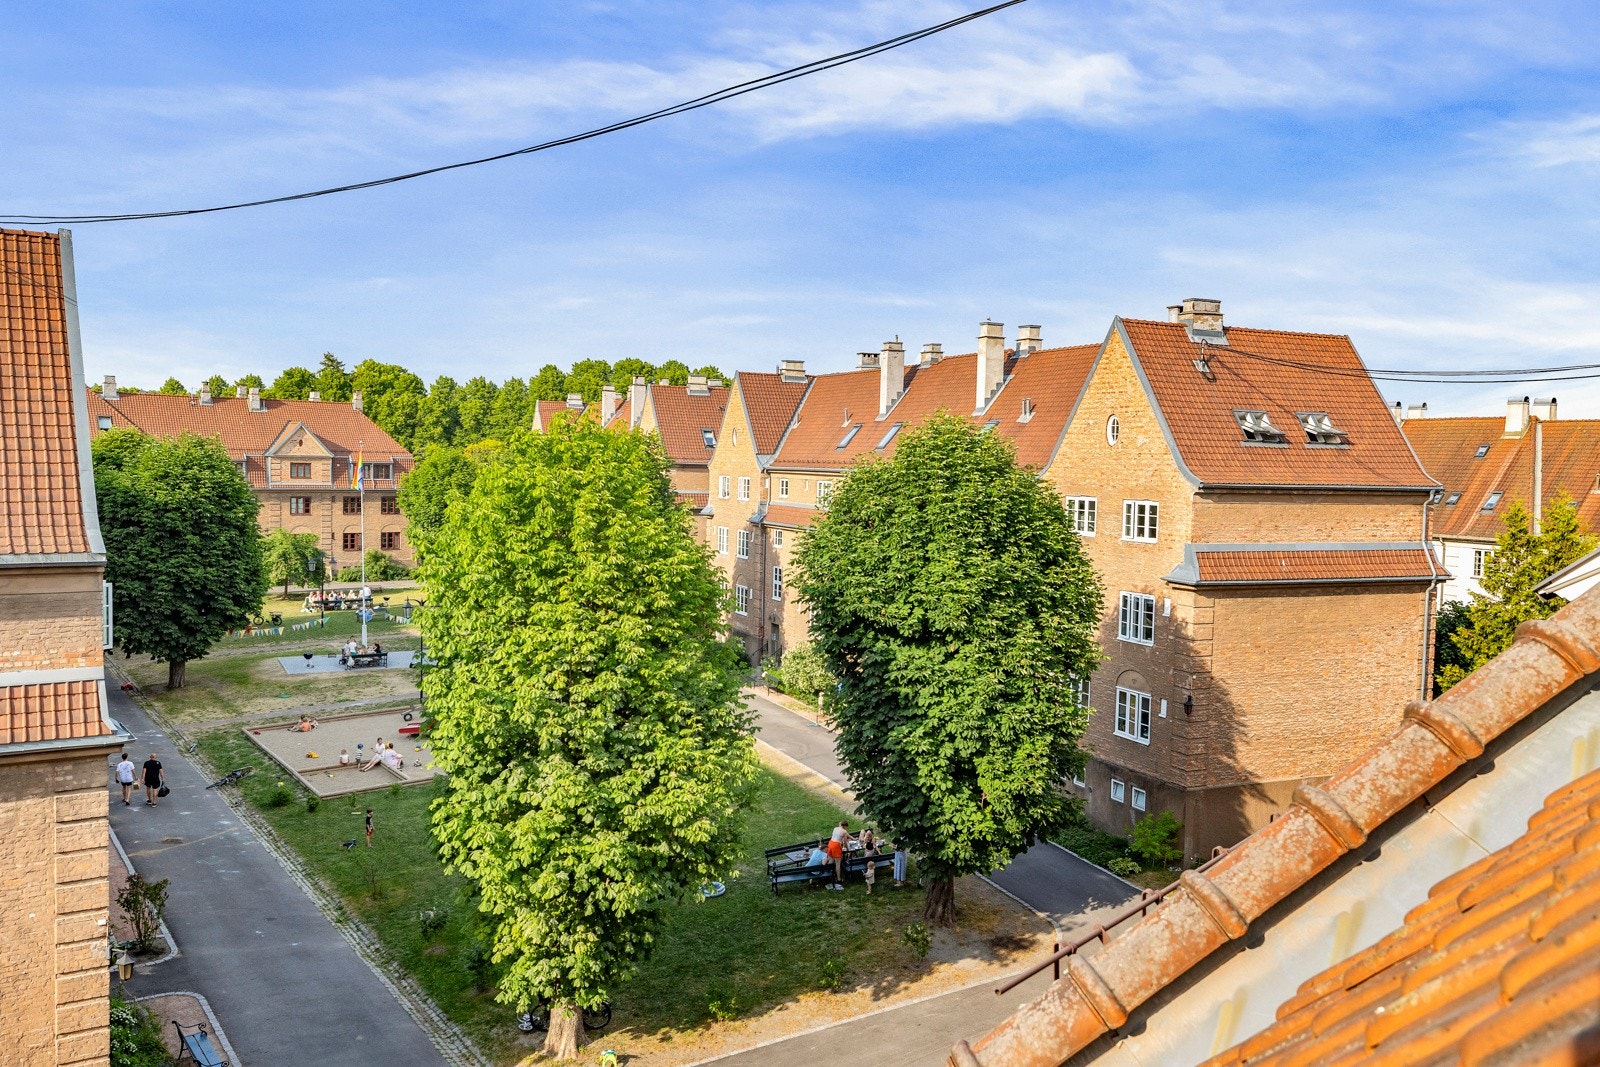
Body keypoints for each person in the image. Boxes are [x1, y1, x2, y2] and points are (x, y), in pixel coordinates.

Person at [827, 820, 850, 890]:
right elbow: (845, 842)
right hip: (836, 845)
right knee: (838, 864)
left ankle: (830, 876)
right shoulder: (844, 831)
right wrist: (847, 849)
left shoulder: (835, 828)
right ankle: (839, 879)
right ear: (845, 826)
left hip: (830, 843)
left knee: (831, 861)